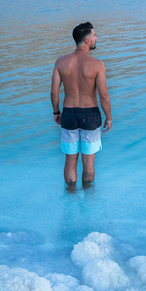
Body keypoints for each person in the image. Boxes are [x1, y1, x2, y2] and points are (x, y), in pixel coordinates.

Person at [50, 21, 112, 190]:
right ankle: (88, 198)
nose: (96, 38)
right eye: (94, 36)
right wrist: (109, 117)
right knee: (89, 160)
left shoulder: (61, 62)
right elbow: (103, 95)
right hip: (90, 114)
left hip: (68, 113)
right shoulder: (97, 64)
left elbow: (54, 93)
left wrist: (56, 112)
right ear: (86, 41)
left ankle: (70, 194)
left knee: (70, 159)